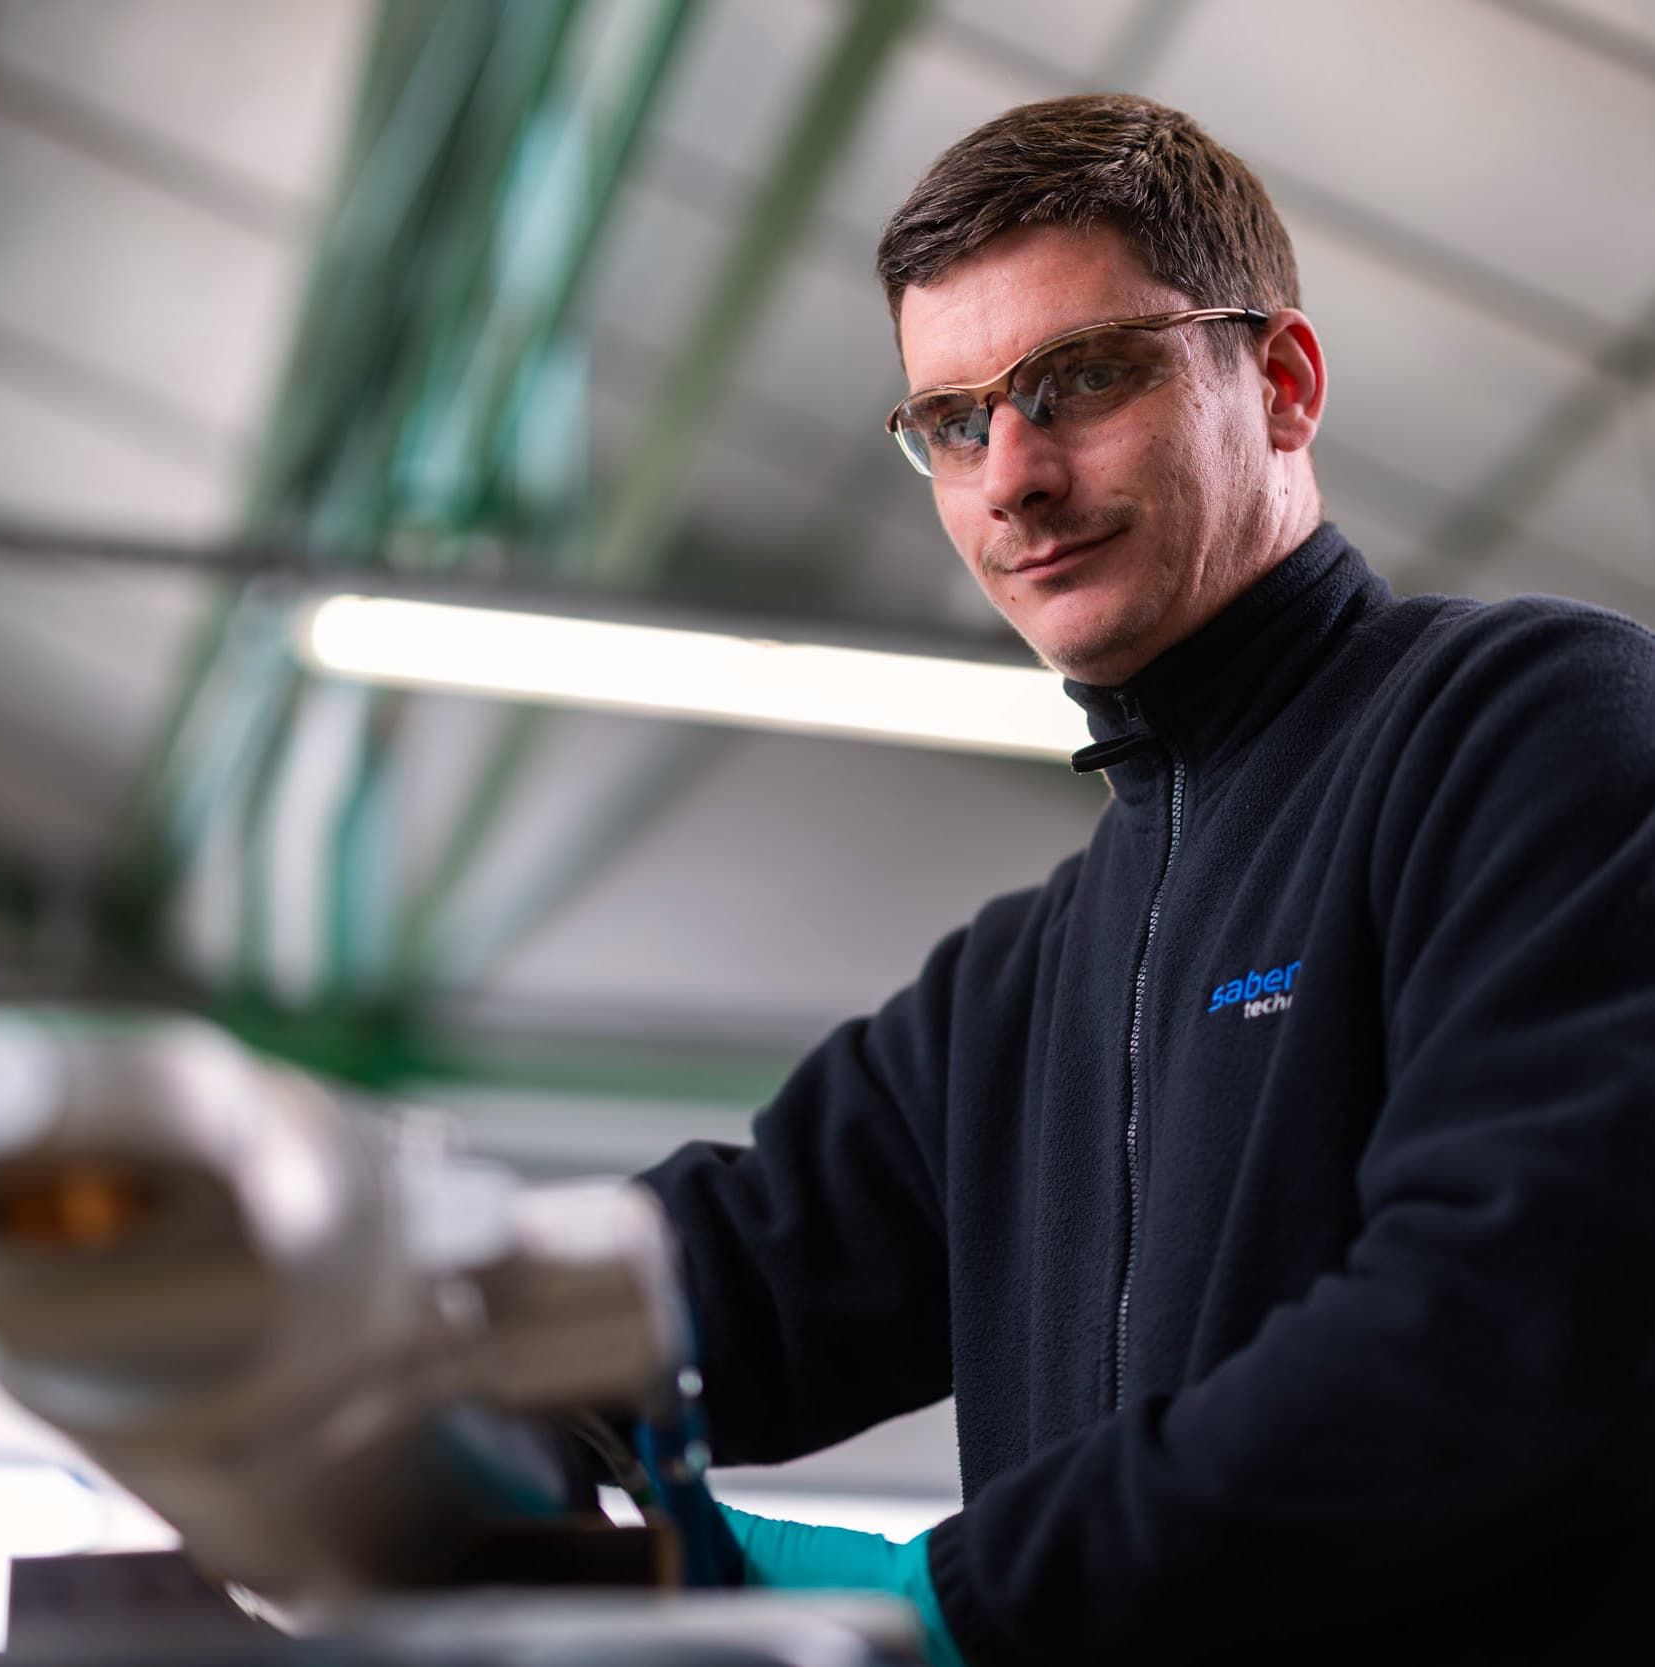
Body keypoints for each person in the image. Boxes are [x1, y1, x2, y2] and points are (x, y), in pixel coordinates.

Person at [637, 94, 1655, 1663]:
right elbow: (718, 1278)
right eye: (954, 421)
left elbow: (1513, 1316)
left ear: (1284, 385)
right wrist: (374, 1313)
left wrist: (956, 1601)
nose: (1013, 476)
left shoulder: (1529, 733)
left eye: (1082, 380)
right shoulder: (1015, 991)